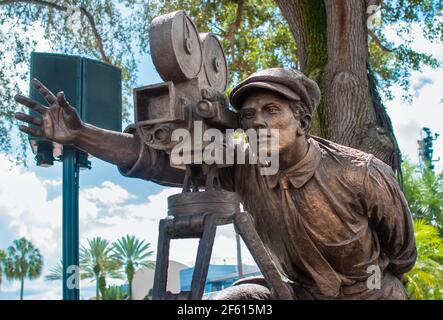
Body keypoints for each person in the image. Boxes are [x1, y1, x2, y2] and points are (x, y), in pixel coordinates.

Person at [14, 68, 416, 299]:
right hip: (303, 294)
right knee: (232, 302)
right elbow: (154, 160)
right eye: (248, 114)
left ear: (303, 122)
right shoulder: (242, 165)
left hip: (372, 296)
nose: (257, 121)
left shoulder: (360, 172)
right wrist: (81, 135)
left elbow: (401, 256)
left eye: (272, 110)